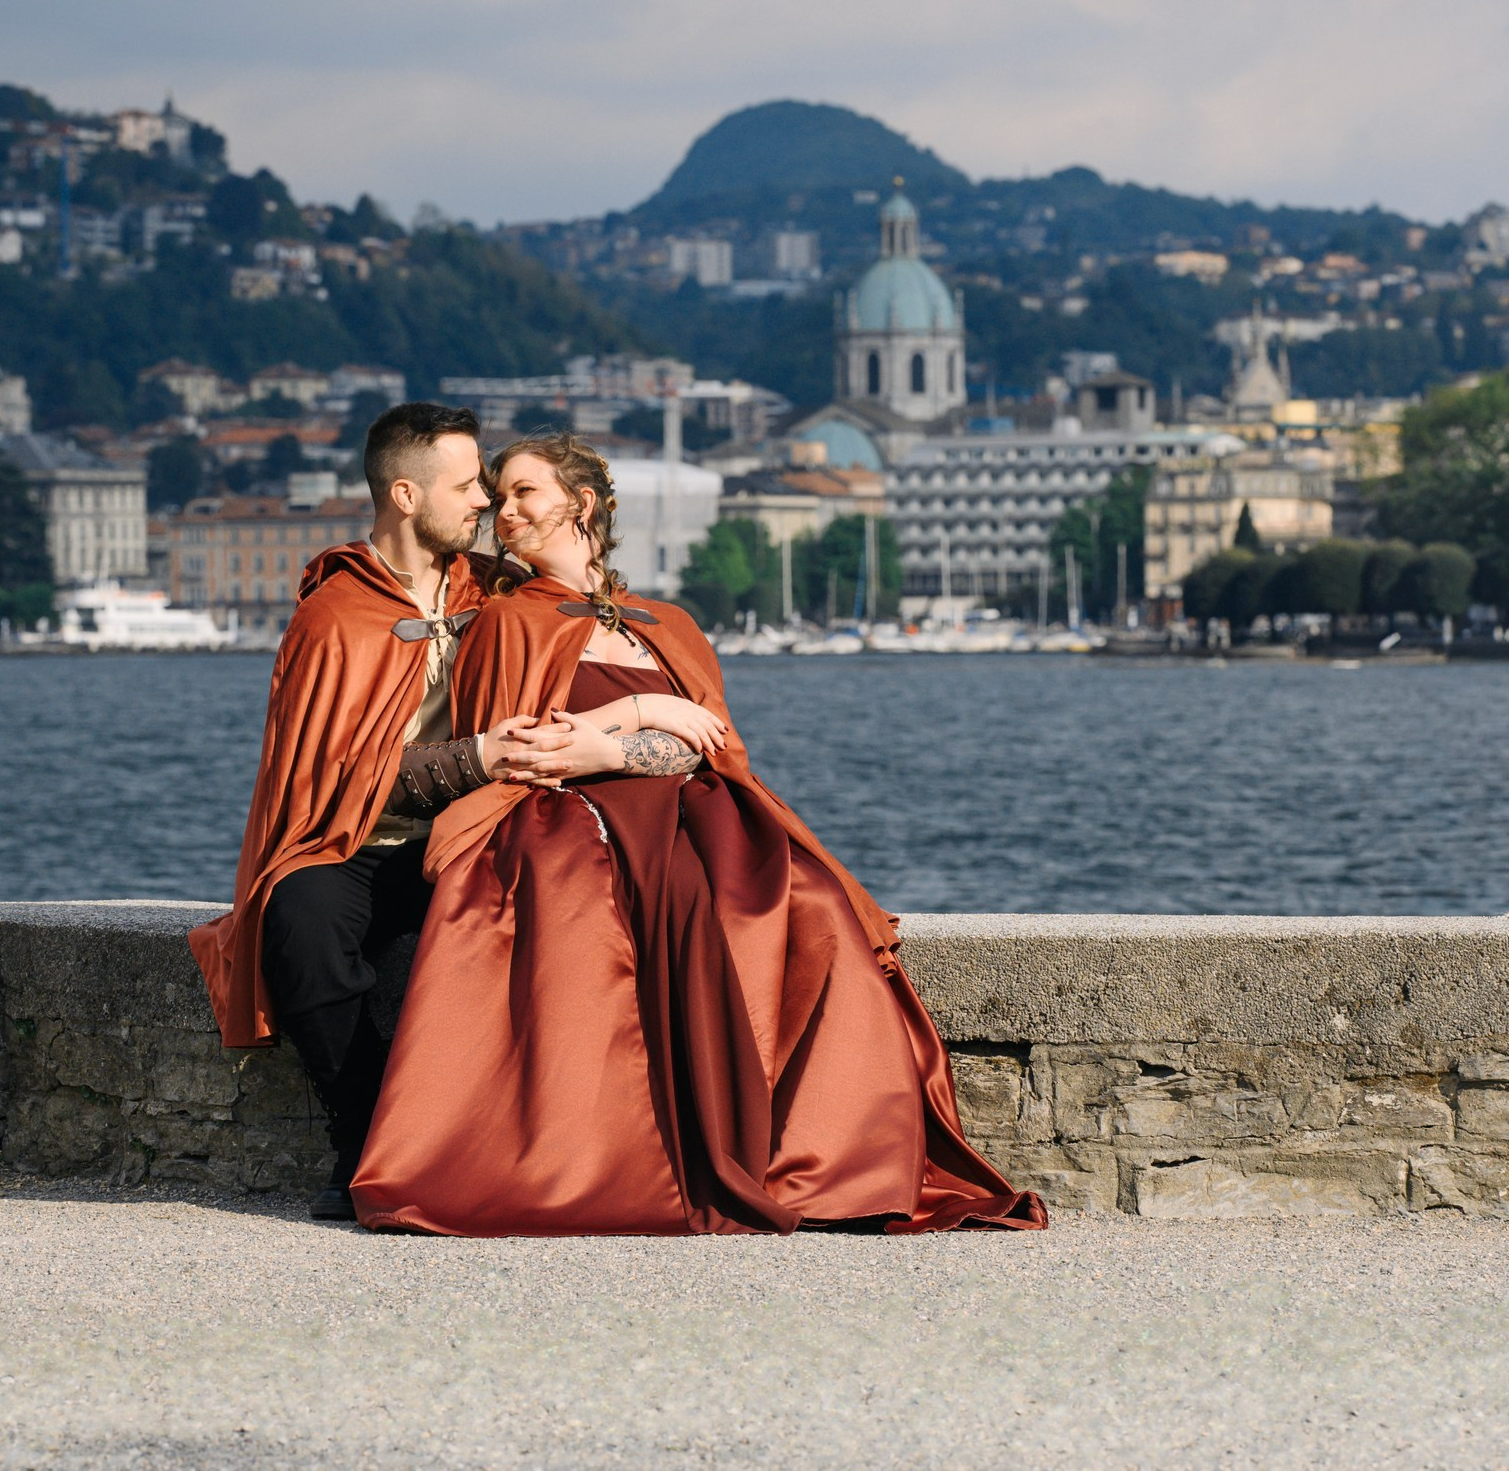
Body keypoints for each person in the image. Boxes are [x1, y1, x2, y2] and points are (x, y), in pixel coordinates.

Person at [350, 433, 1046, 1236]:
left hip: (695, 806)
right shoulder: (510, 621)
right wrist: (636, 714)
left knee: (810, 899)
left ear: (578, 505)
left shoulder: (667, 623)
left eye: (524, 493)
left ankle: (827, 1157)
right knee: (662, 897)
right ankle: (657, 1153)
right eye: (498, 497)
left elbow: (711, 742)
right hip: (567, 814)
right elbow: (533, 744)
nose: (504, 513)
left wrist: (615, 741)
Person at [187, 403, 521, 1222]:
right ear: (405, 494)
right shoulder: (334, 612)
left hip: (466, 838)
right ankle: (366, 1132)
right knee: (297, 921)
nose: (483, 499)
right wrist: (475, 757)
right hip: (353, 838)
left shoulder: (501, 592)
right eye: (467, 482)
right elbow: (326, 775)